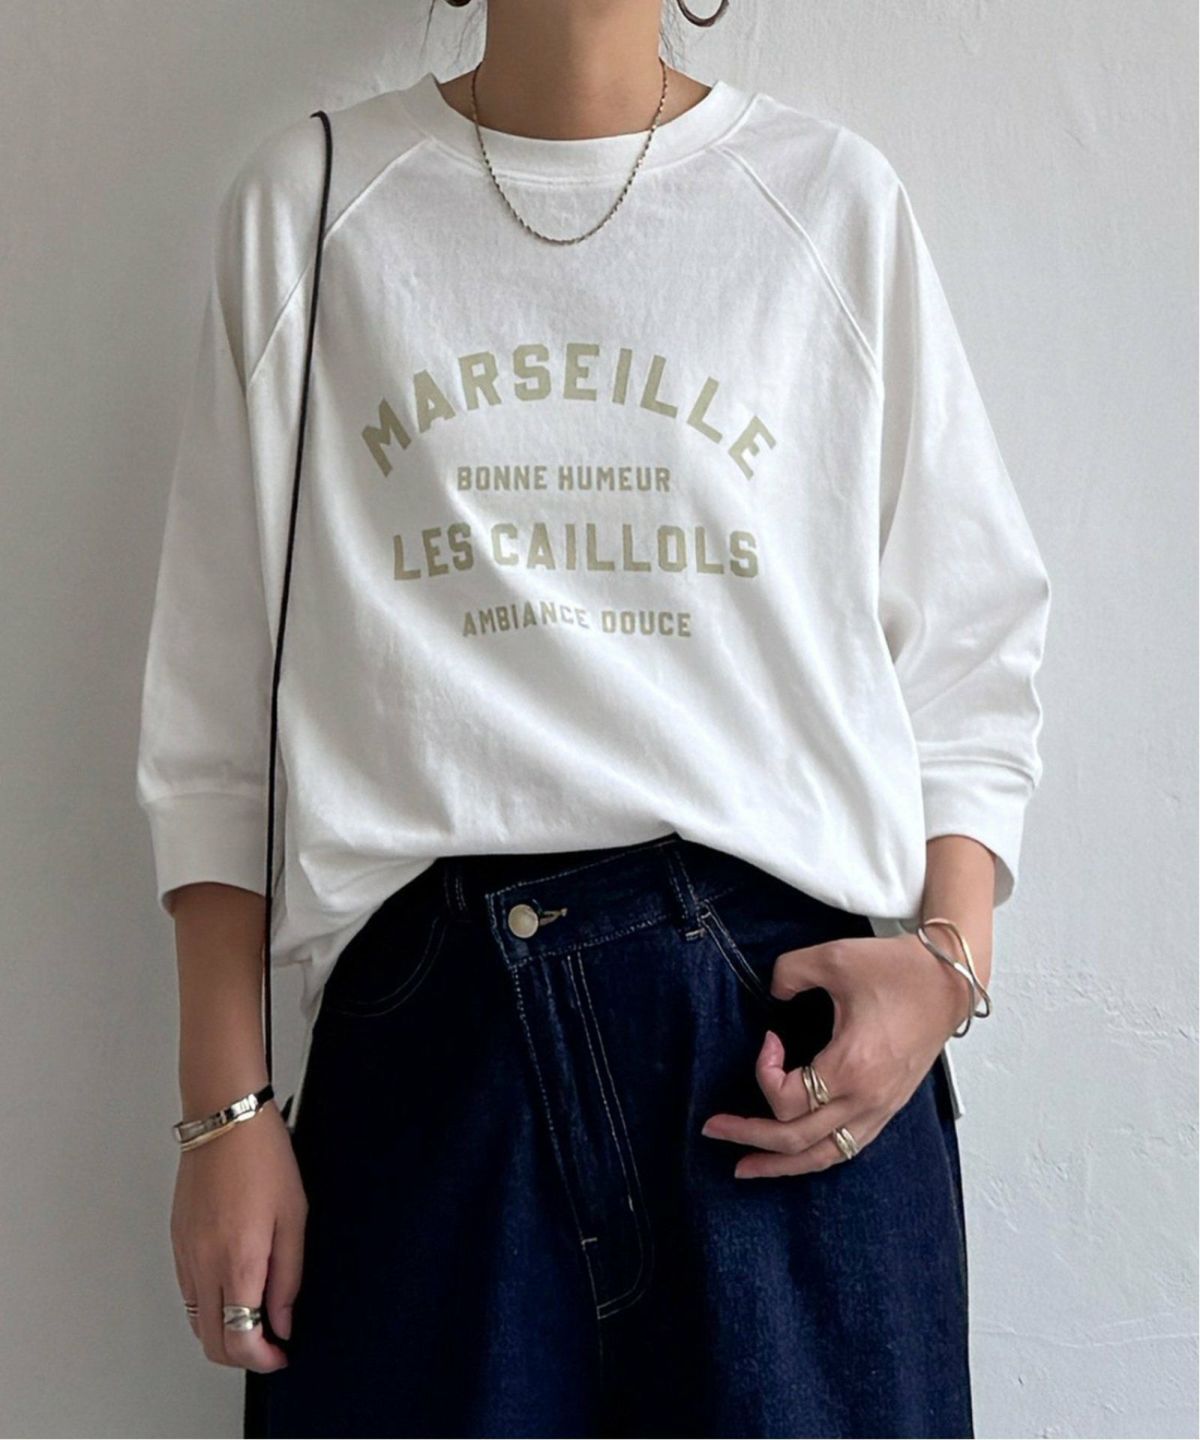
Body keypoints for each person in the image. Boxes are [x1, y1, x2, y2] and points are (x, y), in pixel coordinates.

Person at [135, 2, 1052, 1436]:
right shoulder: (311, 206)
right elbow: (215, 710)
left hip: (778, 1053)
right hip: (438, 1065)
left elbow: (970, 645)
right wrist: (224, 1111)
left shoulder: (826, 204)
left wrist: (948, 964)